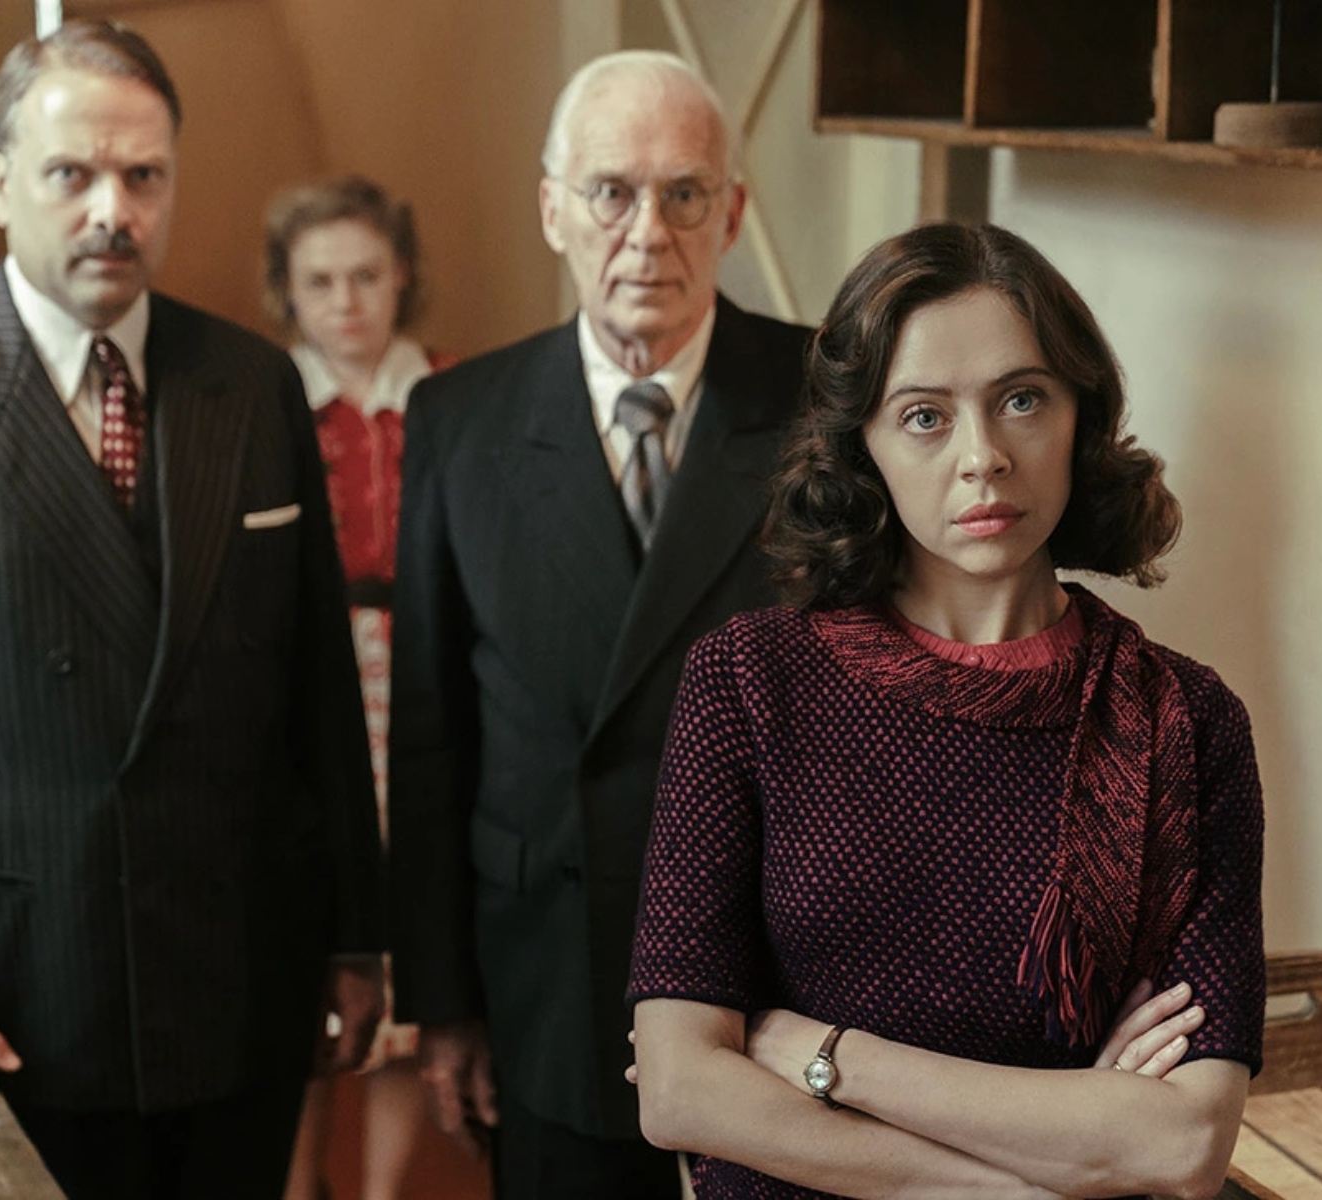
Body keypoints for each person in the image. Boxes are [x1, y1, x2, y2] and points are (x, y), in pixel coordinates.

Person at [0, 20, 383, 1199]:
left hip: (242, 984)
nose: (113, 210)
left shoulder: (251, 385)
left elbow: (318, 693)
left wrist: (356, 935)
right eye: (71, 174)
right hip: (23, 997)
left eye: (143, 176)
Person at [626, 221, 1267, 1199]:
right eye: (924, 415)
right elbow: (679, 1091)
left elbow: (1181, 1145)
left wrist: (824, 1056)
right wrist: (1046, 1172)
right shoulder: (748, 681)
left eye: (1022, 399)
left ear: (1081, 415)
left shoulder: (1189, 721)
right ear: (864, 445)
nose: (983, 457)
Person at [387, 49, 814, 1200]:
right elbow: (431, 740)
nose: (646, 234)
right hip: (545, 977)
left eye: (684, 195)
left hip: (777, 990)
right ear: (552, 209)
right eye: (611, 193)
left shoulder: (828, 398)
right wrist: (444, 1004)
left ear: (733, 214)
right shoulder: (457, 420)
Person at [265, 176, 454, 1200]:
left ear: (402, 277)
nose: (345, 302)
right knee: (311, 939)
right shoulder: (269, 402)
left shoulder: (449, 395)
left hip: (423, 685)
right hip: (311, 691)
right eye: (321, 281)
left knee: (408, 944)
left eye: (366, 276)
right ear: (288, 292)